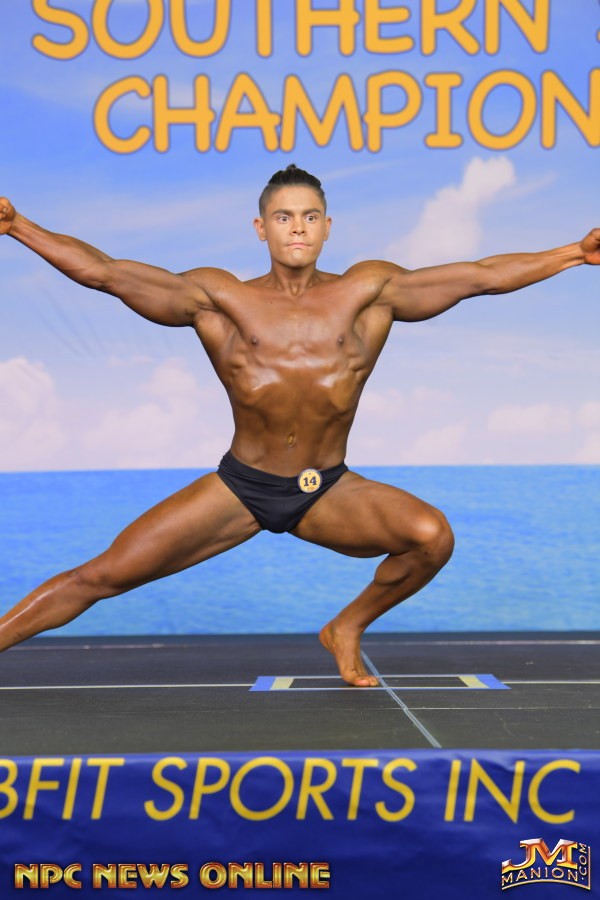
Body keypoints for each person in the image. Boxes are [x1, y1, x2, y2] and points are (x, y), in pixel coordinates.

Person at [0, 165, 597, 687]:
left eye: (310, 217)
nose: (297, 228)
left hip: (326, 489)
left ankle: (346, 626)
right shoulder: (219, 298)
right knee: (100, 577)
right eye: (283, 217)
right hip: (241, 486)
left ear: (327, 227)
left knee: (431, 536)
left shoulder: (368, 292)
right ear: (261, 228)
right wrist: (17, 225)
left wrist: (575, 252)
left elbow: (481, 275)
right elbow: (104, 273)